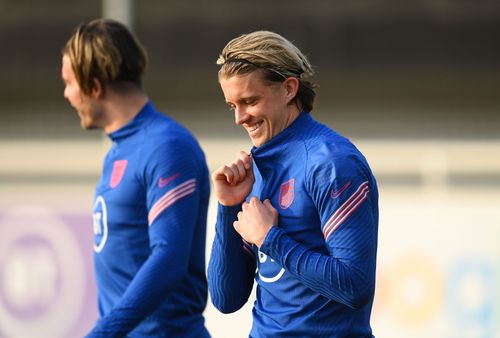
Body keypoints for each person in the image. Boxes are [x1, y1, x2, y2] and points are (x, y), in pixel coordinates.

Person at [208, 31, 379, 337]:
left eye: (249, 101)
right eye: (232, 105)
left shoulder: (332, 163)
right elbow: (226, 299)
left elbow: (355, 286)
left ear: (288, 89)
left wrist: (271, 238)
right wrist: (228, 207)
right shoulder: (255, 169)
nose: (240, 118)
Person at [61, 19, 210, 337]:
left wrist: (102, 333)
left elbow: (169, 257)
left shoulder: (167, 146)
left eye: (69, 83)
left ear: (94, 85)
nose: (66, 94)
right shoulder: (117, 152)